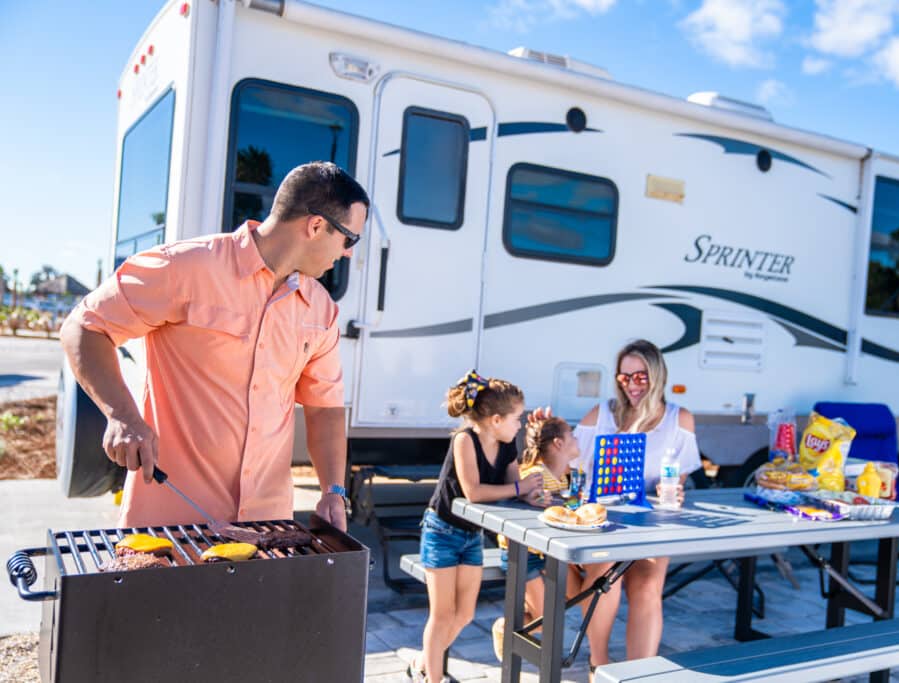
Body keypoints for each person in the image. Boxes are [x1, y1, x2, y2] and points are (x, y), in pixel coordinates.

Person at [60, 161, 369, 531]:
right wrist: (123, 416)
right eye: (350, 238)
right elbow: (84, 326)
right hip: (169, 528)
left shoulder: (322, 309)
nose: (349, 252)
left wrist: (333, 489)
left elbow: (325, 409)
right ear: (315, 226)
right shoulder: (185, 266)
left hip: (266, 530)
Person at [573, 339, 700, 675]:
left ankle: (638, 674)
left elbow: (678, 479)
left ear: (657, 377)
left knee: (646, 586)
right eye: (624, 377)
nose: (631, 385)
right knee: (606, 580)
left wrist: (672, 489)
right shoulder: (601, 415)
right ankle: (598, 664)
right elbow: (568, 464)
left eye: (640, 377)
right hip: (601, 518)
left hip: (650, 519)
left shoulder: (679, 420)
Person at [409, 371, 543, 683]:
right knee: (442, 616)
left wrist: (533, 494)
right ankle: (433, 677)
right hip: (441, 532)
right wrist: (519, 488)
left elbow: (514, 485)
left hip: (471, 536)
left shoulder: (508, 445)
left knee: (465, 615)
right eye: (517, 418)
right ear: (496, 419)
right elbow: (474, 492)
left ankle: (422, 661)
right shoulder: (464, 440)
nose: (519, 425)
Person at [491, 414, 586, 661]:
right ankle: (507, 626)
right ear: (558, 443)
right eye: (572, 436)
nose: (577, 440)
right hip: (523, 554)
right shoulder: (534, 475)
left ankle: (528, 608)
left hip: (550, 552)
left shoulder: (566, 475)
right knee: (546, 623)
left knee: (581, 593)